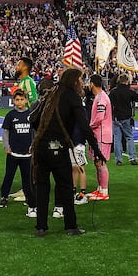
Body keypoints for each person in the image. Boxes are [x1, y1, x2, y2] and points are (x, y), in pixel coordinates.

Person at [31, 67, 86, 236]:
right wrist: (96, 149)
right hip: (59, 147)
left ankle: (41, 227)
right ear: (75, 81)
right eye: (81, 80)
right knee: (66, 187)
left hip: (41, 147)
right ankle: (70, 226)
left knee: (42, 188)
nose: (83, 83)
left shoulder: (51, 94)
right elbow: (84, 126)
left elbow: (35, 119)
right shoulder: (72, 97)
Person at [0, 88, 35, 214]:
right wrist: (7, 147)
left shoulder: (31, 114)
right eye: (17, 100)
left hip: (27, 153)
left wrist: (34, 146)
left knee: (27, 178)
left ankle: (29, 197)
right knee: (9, 176)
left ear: (26, 100)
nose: (19, 102)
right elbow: (5, 132)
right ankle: (4, 196)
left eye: (22, 99)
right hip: (13, 153)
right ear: (13, 101)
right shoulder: (10, 115)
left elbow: (34, 132)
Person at [86, 74, 113, 201]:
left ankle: (104, 191)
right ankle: (100, 189)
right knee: (97, 163)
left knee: (101, 162)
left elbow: (100, 117)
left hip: (102, 134)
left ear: (92, 83)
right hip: (99, 134)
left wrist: (90, 125)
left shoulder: (101, 98)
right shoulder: (99, 97)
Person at [110, 74, 138, 165]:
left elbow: (109, 103)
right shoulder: (130, 91)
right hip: (127, 117)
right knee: (129, 138)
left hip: (116, 117)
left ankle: (118, 160)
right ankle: (132, 158)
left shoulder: (113, 92)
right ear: (127, 81)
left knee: (117, 139)